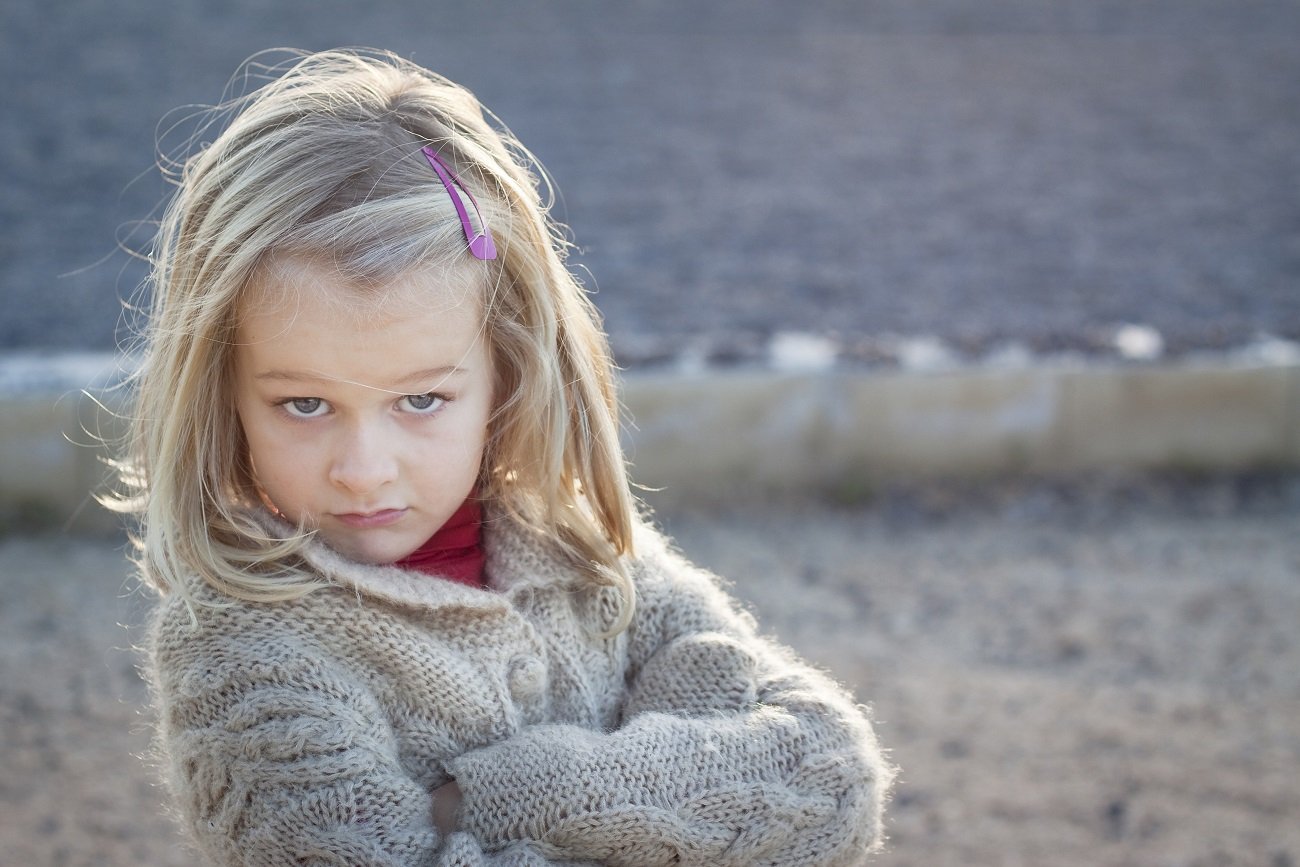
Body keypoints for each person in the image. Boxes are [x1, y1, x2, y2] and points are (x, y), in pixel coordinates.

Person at [110, 47, 894, 866]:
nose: (364, 469)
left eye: (421, 400)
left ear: (507, 373)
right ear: (221, 393)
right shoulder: (243, 653)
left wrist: (493, 798)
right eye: (305, 404)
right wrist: (685, 787)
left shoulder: (581, 553)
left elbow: (831, 777)